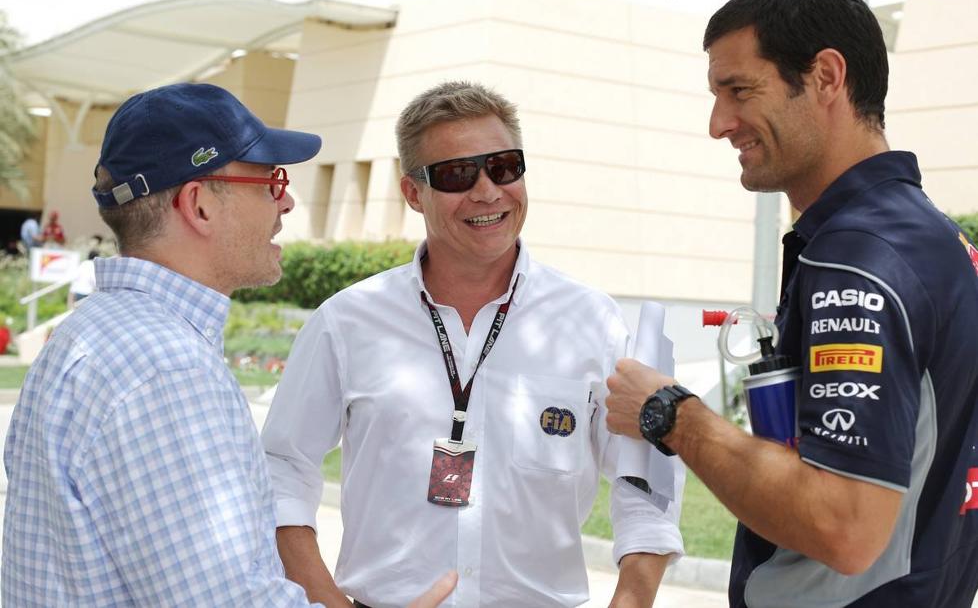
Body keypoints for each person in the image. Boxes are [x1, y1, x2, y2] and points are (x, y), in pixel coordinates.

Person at [1, 82, 455, 607]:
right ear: (199, 205)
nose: (285, 200)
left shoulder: (91, 333)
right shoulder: (168, 371)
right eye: (269, 181)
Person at [605, 0, 978, 608]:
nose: (719, 123)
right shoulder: (940, 243)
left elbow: (845, 525)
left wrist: (670, 413)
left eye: (740, 90)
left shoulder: (860, 260)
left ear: (827, 77)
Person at [261, 81, 684, 607]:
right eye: (458, 175)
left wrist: (631, 602)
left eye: (505, 166)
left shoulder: (591, 321)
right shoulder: (346, 322)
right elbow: (281, 469)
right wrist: (326, 601)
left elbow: (646, 478)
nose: (488, 191)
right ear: (413, 193)